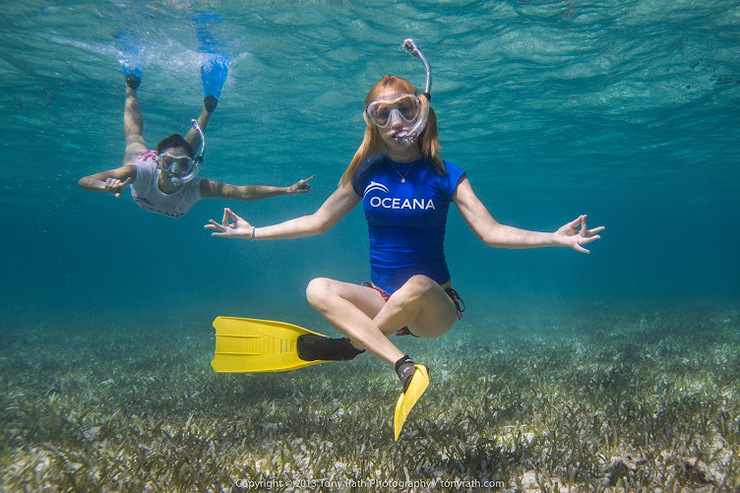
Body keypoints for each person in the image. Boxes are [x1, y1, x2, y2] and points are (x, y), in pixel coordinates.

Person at [204, 41, 604, 396]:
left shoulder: (446, 173)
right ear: (372, 123)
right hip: (382, 302)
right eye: (382, 114)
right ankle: (403, 365)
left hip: (433, 309)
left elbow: (492, 231)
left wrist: (554, 237)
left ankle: (349, 346)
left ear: (422, 111)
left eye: (405, 108)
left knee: (414, 285)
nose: (395, 121)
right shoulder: (367, 174)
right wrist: (253, 231)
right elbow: (317, 221)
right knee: (316, 288)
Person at [78, 71, 313, 218]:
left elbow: (241, 192)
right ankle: (131, 85)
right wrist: (105, 187)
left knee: (185, 148)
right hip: (141, 159)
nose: (174, 171)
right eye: (168, 163)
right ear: (158, 162)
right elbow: (85, 181)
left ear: (192, 167)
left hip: (174, 158)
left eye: (182, 166)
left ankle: (206, 112)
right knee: (134, 138)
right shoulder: (139, 172)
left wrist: (287, 190)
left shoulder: (195, 186)